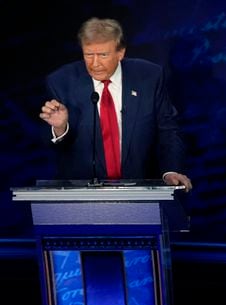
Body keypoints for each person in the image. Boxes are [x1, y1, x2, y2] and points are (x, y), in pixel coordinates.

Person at [38, 17, 192, 191]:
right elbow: (49, 146)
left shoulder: (149, 76)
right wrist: (60, 128)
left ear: (121, 53)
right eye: (89, 55)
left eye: (103, 55)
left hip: (142, 190)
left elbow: (168, 130)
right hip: (82, 194)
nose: (95, 64)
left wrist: (170, 170)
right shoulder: (61, 81)